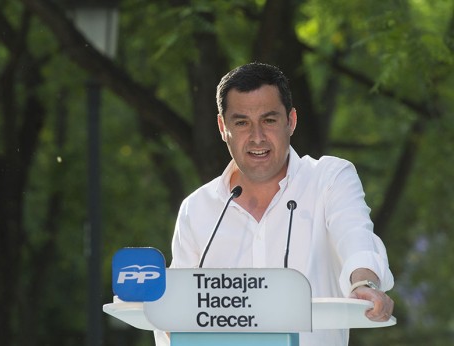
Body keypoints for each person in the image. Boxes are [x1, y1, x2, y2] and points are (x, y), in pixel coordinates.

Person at [154, 62, 394, 345]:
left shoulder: (329, 179)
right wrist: (171, 320)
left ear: (291, 121)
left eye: (269, 120)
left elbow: (356, 238)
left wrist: (364, 283)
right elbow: (176, 309)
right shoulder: (196, 209)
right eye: (242, 122)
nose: (257, 137)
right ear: (222, 127)